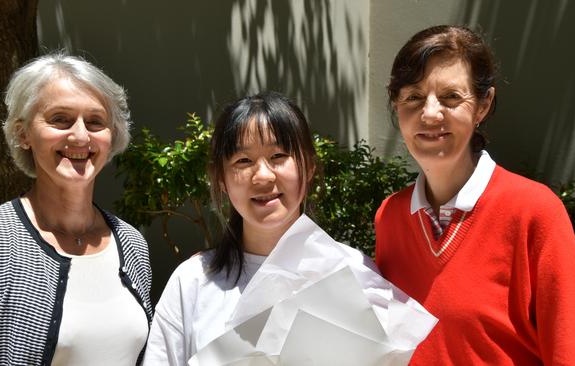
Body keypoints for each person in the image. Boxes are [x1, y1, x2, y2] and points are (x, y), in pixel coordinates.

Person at [143, 92, 436, 365]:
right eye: (243, 160)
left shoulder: (353, 271)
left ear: (308, 168)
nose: (262, 175)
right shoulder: (193, 283)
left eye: (278, 156)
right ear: (221, 179)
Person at [374, 25, 575, 365]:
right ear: (397, 105)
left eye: (451, 97)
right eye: (413, 96)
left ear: (483, 105)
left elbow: (567, 352)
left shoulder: (535, 213)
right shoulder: (389, 217)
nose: (430, 113)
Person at [0, 54, 153, 365]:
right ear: (23, 134)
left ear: (111, 136)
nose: (80, 136)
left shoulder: (131, 244)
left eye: (95, 122)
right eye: (60, 119)